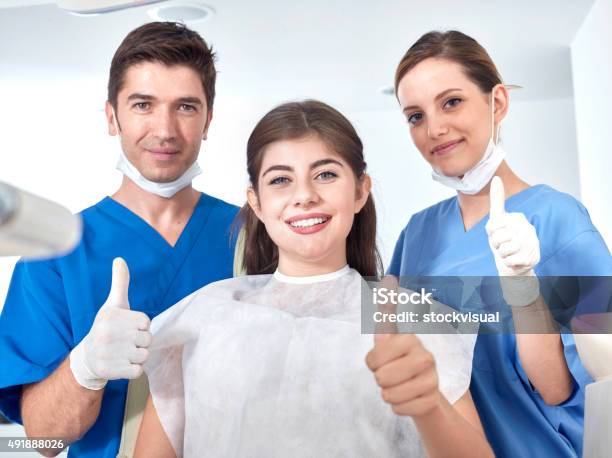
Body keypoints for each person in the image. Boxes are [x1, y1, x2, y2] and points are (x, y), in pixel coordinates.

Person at [133, 100, 494, 458]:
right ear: (256, 203)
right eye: (280, 180)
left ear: (359, 191)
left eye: (325, 174)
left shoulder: (411, 317)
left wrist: (429, 405)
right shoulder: (205, 316)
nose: (304, 195)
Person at [0, 22, 239, 457]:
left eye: (185, 107)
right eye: (143, 105)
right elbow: (41, 440)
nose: (164, 129)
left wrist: (399, 319)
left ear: (208, 120)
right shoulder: (53, 251)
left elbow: (375, 321)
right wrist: (85, 368)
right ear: (112, 117)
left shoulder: (259, 234)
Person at [389, 30, 612, 457]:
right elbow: (390, 369)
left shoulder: (562, 220)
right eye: (415, 116)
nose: (434, 128)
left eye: (451, 101)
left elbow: (559, 389)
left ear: (497, 103)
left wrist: (525, 293)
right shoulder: (414, 235)